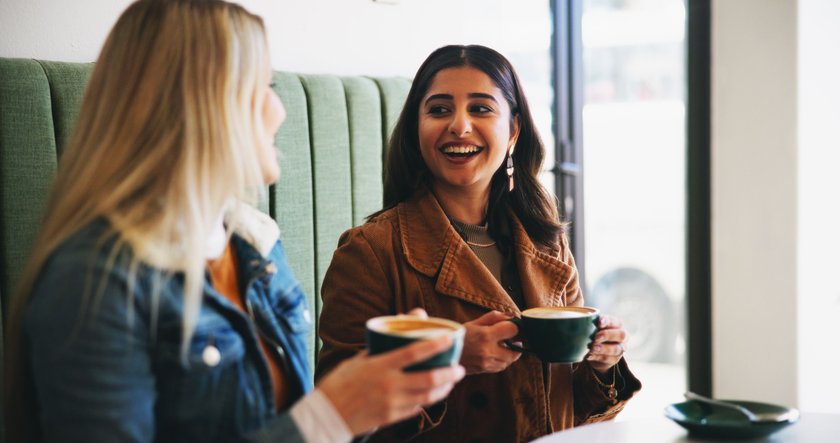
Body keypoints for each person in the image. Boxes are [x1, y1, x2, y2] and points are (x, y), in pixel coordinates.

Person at [2, 1, 465, 442]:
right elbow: (311, 426)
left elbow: (293, 422)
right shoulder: (95, 279)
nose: (278, 110)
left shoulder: (254, 243)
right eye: (261, 87)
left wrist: (370, 393)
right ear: (192, 105)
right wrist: (331, 415)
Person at [316, 44, 642, 442]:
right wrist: (450, 356)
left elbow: (568, 415)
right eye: (439, 110)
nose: (459, 125)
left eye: (481, 108)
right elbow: (338, 420)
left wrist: (603, 364)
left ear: (514, 130)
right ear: (417, 129)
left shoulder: (547, 245)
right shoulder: (370, 252)